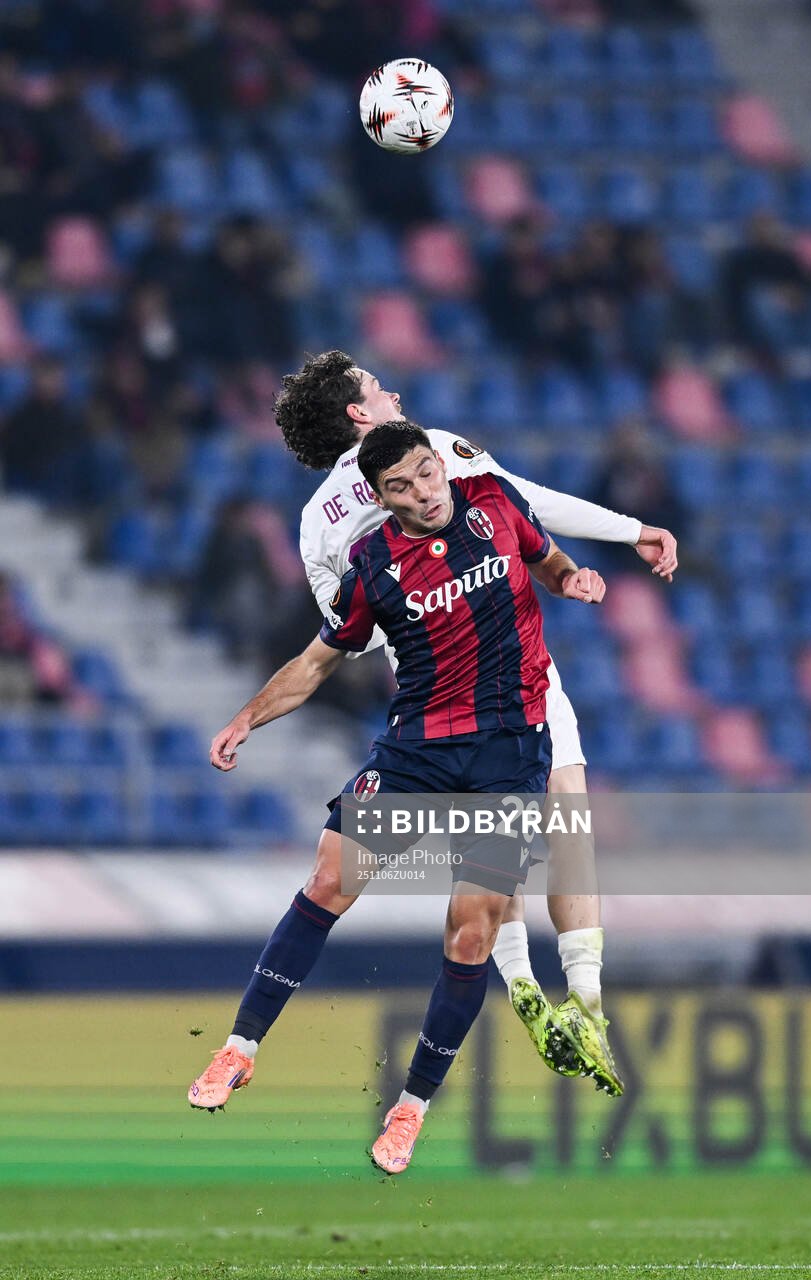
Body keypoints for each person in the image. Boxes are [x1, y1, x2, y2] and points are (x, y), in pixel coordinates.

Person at [189, 421, 607, 1174]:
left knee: (471, 934)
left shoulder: (494, 502)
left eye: (425, 474)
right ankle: (238, 1049)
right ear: (382, 500)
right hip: (418, 752)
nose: (423, 494)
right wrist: (246, 717)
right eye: (401, 488)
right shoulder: (374, 564)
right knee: (328, 878)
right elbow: (317, 663)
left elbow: (546, 561)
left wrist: (572, 578)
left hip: (508, 757)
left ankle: (410, 1108)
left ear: (439, 464)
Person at [275, 349, 678, 1093]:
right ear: (360, 413)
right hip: (511, 668)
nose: (393, 391)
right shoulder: (429, 453)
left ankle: (517, 975)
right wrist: (631, 531)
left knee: (489, 848)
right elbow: (527, 502)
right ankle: (586, 1001)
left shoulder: (312, 521)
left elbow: (345, 630)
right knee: (565, 820)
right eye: (376, 387)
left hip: (427, 694)